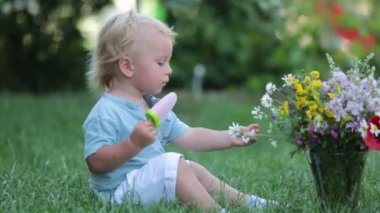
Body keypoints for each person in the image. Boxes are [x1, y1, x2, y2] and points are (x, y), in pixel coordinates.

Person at [82, 11, 277, 212]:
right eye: (160, 62)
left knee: (190, 167)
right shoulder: (106, 112)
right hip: (118, 195)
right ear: (127, 66)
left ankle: (247, 201)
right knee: (171, 163)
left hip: (148, 187)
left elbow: (190, 136)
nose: (169, 70)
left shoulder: (152, 106)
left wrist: (230, 137)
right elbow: (96, 163)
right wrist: (132, 145)